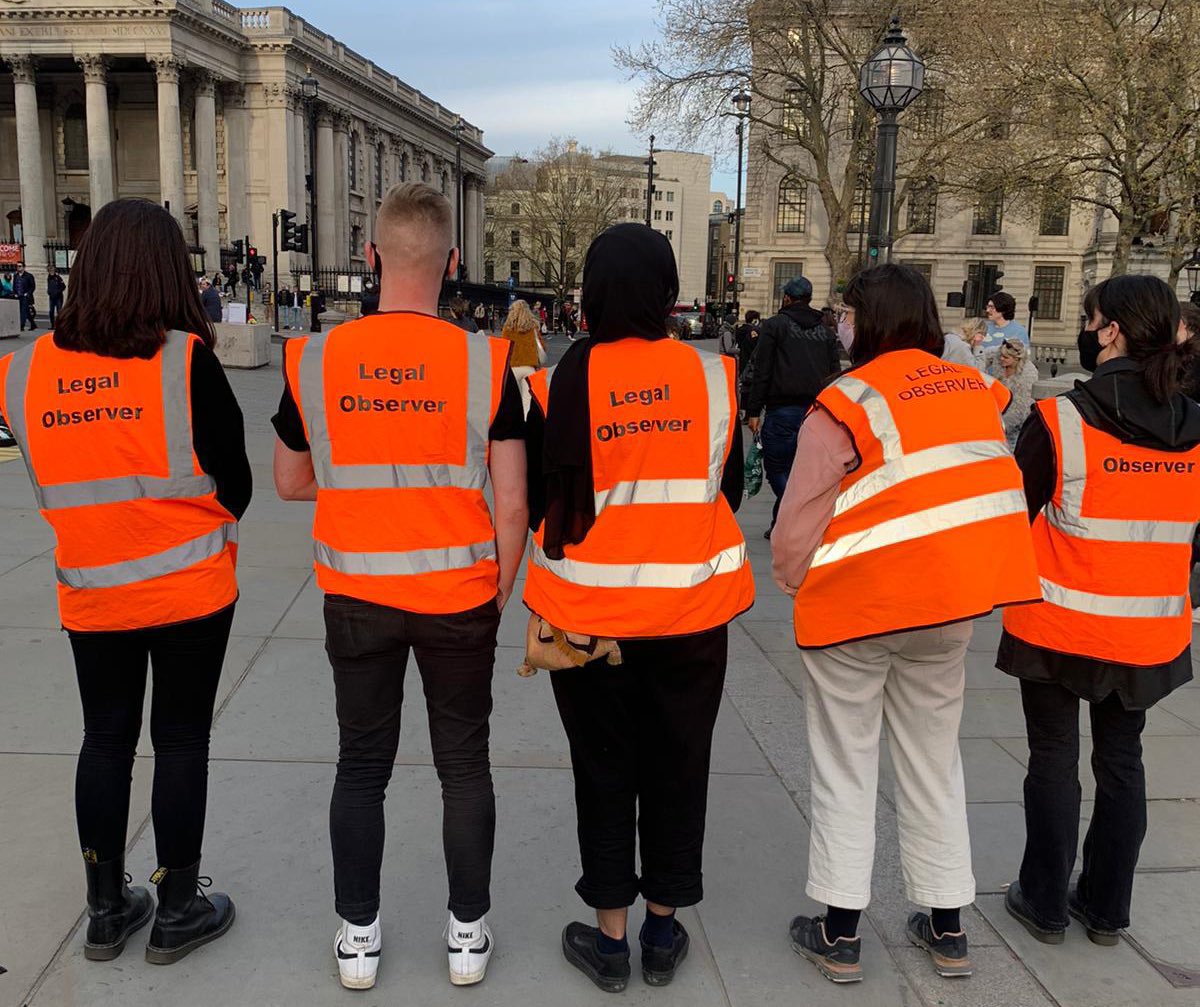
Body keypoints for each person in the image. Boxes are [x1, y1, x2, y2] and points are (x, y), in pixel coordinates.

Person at [272, 182, 528, 992]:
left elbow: (288, 480)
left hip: (356, 594)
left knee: (360, 765)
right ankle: (467, 934)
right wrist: (498, 593)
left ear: (371, 258)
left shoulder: (315, 356)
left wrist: (362, 486)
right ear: (453, 264)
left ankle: (357, 936)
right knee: (463, 763)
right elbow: (514, 502)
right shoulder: (489, 363)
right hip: (458, 595)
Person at [772, 263, 1040, 984]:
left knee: (845, 763)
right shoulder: (975, 389)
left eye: (848, 312)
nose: (840, 323)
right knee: (933, 759)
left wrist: (794, 577)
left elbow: (796, 525)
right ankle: (948, 925)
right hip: (949, 604)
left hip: (858, 606)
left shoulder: (847, 400)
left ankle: (840, 933)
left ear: (870, 319)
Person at [0, 199, 249, 965]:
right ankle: (177, 905)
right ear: (167, 271)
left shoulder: (25, 369)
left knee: (104, 736)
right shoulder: (183, 360)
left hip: (92, 586)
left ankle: (105, 907)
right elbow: (234, 484)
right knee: (181, 739)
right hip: (190, 590)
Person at [523, 224, 755, 993]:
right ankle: (664, 929)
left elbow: (535, 503)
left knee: (603, 771)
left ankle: (610, 940)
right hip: (690, 613)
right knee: (680, 767)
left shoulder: (558, 384)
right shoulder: (717, 379)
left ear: (588, 292)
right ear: (666, 293)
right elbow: (729, 489)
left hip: (585, 618)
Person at [1000, 275, 1200, 947]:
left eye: (1090, 318)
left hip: (1059, 622)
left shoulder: (1061, 420)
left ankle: (1046, 900)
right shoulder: (1194, 427)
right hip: (1148, 630)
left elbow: (1011, 520)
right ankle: (1108, 908)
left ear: (1109, 329)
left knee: (1054, 757)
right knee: (1123, 761)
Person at [741, 275, 841, 535]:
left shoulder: (775, 326)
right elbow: (834, 373)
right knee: (802, 470)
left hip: (781, 409)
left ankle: (796, 513)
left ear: (786, 297)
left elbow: (762, 368)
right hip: (815, 412)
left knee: (777, 470)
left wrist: (753, 410)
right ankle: (781, 522)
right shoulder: (826, 331)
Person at [986, 338, 1038, 447]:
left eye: (1005, 357)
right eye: (1001, 355)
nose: (1001, 359)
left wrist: (999, 427)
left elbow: (1021, 408)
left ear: (1016, 358)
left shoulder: (1028, 374)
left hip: (1016, 425)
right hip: (997, 412)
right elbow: (983, 356)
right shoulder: (999, 356)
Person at [500, 298, 545, 415]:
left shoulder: (507, 328)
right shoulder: (533, 328)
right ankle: (526, 426)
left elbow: (503, 348)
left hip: (513, 368)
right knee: (527, 401)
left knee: (512, 401)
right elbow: (542, 347)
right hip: (529, 367)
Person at [14, 263, 36, 331]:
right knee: (26, 311)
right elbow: (14, 285)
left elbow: (33, 286)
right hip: (18, 295)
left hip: (25, 296)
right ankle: (33, 324)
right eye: (17, 266)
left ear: (24, 267)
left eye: (20, 266)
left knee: (23, 311)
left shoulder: (29, 276)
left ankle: (21, 325)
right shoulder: (16, 275)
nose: (18, 268)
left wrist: (28, 293)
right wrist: (14, 293)